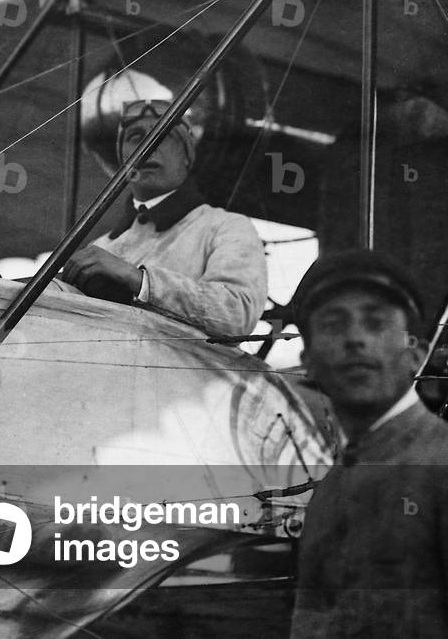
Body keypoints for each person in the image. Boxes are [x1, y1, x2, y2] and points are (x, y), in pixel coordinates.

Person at [289, 249, 448, 638]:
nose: (355, 339)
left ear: (417, 354)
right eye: (333, 324)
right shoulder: (331, 487)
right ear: (307, 361)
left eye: (376, 323)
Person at [61, 99, 267, 338]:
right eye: (135, 137)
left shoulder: (226, 227)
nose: (148, 147)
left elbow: (237, 315)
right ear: (122, 159)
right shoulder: (100, 248)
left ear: (187, 156)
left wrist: (139, 281)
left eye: (164, 136)